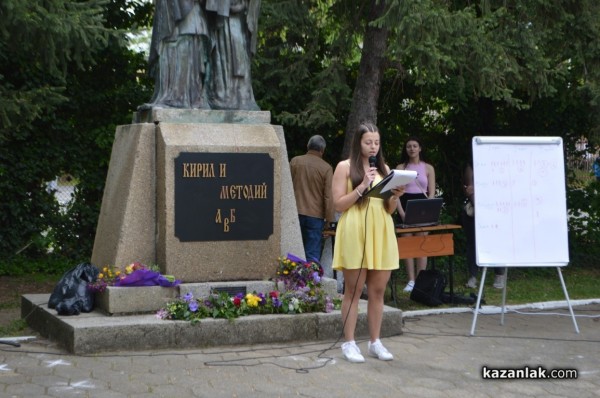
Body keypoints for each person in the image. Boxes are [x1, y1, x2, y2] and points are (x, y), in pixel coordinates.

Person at [332, 123, 405, 363]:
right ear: (358, 143)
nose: (373, 147)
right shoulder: (344, 167)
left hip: (381, 229)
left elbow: (389, 209)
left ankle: (375, 342)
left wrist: (395, 196)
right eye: (368, 142)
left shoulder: (384, 169)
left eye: (376, 142)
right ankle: (350, 343)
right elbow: (338, 204)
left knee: (377, 290)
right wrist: (363, 186)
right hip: (355, 229)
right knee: (353, 290)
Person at [143, 0, 211, 109]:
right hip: (174, 18)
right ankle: (174, 98)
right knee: (172, 54)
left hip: (192, 22)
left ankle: (186, 99)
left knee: (187, 57)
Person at [395, 136, 436, 293]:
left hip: (423, 207)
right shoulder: (400, 167)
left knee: (422, 243)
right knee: (408, 244)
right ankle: (411, 280)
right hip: (405, 205)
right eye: (408, 146)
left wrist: (429, 211)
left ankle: (421, 279)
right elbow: (396, 193)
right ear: (406, 150)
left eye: (414, 146)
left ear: (420, 148)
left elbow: (431, 193)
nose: (411, 149)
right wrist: (401, 212)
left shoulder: (428, 168)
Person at [205, 0, 261, 110]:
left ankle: (242, 97)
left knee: (239, 56)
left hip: (238, 21)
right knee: (221, 58)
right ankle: (221, 95)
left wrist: (242, 6)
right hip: (221, 20)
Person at [290, 135, 335, 263]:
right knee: (312, 255)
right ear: (323, 150)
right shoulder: (326, 168)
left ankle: (291, 281)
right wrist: (329, 222)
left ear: (307, 146)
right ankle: (310, 281)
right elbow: (328, 197)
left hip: (295, 213)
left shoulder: (294, 162)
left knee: (293, 253)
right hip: (316, 217)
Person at [462, 162, 505, 289]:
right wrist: (479, 206)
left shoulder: (499, 166)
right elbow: (468, 190)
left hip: (496, 208)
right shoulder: (470, 166)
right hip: (474, 211)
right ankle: (473, 276)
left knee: (496, 241)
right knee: (473, 244)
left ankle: (499, 275)